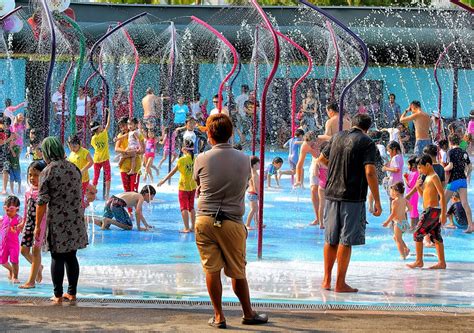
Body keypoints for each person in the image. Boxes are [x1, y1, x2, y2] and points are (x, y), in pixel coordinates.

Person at [193, 113, 268, 328]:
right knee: (237, 270)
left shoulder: (201, 158)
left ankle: (219, 316)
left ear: (209, 134)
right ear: (231, 134)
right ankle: (248, 313)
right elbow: (244, 183)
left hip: (205, 220)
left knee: (211, 269)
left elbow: (198, 182)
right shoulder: (245, 160)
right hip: (233, 221)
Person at [318, 113, 382, 292]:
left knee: (331, 239)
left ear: (352, 124)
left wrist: (338, 168)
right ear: (367, 128)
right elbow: (370, 172)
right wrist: (377, 201)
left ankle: (326, 280)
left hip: (331, 194)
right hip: (352, 197)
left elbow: (321, 160)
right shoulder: (367, 142)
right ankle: (340, 283)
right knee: (345, 240)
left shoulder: (337, 137)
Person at [35, 137, 88, 303]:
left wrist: (37, 226)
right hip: (75, 218)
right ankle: (72, 293)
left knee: (57, 257)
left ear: (48, 152)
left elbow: (42, 201)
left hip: (58, 219)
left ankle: (57, 295)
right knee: (72, 256)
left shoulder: (48, 171)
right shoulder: (74, 168)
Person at [407, 154, 446, 269]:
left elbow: (442, 195)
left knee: (417, 233)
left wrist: (443, 214)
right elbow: (423, 196)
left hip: (432, 210)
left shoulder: (434, 176)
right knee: (435, 235)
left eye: (420, 167)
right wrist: (419, 187)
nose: (419, 170)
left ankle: (419, 261)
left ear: (428, 165)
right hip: (431, 210)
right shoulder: (427, 177)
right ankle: (441, 262)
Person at [157, 140, 197, 233]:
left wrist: (163, 180)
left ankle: (186, 228)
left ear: (183, 149)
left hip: (183, 187)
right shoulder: (195, 158)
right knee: (191, 207)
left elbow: (172, 172)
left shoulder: (181, 160)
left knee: (184, 208)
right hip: (193, 186)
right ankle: (193, 227)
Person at [19, 161, 48, 289]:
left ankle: (31, 281)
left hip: (40, 225)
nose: (32, 178)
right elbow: (26, 209)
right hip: (29, 224)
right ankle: (38, 267)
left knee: (36, 250)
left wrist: (39, 226)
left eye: (36, 175)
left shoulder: (44, 192)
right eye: (30, 175)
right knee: (24, 250)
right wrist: (23, 223)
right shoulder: (28, 192)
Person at [444, 134, 472, 233]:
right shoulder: (464, 152)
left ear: (450, 141)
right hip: (462, 180)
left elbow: (450, 166)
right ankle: (471, 226)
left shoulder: (450, 152)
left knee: (442, 202)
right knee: (465, 203)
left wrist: (443, 169)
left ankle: (438, 225)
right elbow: (470, 166)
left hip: (454, 180)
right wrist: (467, 175)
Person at [295, 131, 322, 223]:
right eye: (309, 145)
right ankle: (318, 218)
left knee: (323, 192)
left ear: (316, 140)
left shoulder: (323, 141)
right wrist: (298, 180)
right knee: (314, 190)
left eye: (313, 144)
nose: (311, 147)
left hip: (327, 164)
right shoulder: (305, 145)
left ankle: (325, 216)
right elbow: (299, 164)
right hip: (315, 164)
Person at [382, 182, 411, 260]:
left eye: (391, 191)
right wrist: (404, 210)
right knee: (396, 237)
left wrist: (387, 222)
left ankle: (403, 255)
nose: (391, 193)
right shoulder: (404, 200)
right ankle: (406, 249)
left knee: (398, 240)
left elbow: (393, 214)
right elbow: (410, 208)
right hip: (405, 223)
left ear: (396, 191)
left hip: (398, 223)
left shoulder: (394, 201)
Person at [90, 110, 111, 200]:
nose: (103, 127)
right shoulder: (104, 134)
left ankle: (92, 194)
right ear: (98, 129)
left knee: (95, 177)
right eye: (101, 126)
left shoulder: (93, 138)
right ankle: (107, 195)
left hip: (96, 159)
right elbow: (108, 124)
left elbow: (94, 147)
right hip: (105, 159)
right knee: (108, 177)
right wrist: (109, 113)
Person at [0, 195, 22, 283]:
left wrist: (17, 228)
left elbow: (22, 227)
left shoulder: (19, 219)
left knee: (14, 261)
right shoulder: (3, 218)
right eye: (6, 208)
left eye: (11, 209)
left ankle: (15, 277)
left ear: (17, 209)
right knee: (2, 261)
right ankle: (10, 270)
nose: (8, 211)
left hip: (13, 244)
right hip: (3, 244)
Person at [67, 134, 93, 202]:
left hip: (83, 180)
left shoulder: (84, 152)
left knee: (80, 197)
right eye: (70, 147)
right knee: (74, 197)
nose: (72, 149)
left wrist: (82, 170)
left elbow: (91, 162)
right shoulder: (71, 154)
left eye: (74, 146)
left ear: (79, 144)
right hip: (74, 180)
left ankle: (82, 209)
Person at [404, 155, 420, 230]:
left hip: (411, 195)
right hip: (413, 194)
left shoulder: (415, 174)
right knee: (413, 209)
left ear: (413, 165)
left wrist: (405, 178)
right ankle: (416, 225)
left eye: (408, 164)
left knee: (412, 210)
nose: (407, 166)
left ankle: (412, 227)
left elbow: (409, 185)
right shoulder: (416, 173)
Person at [246, 156, 260, 230]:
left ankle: (257, 223)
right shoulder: (254, 175)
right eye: (259, 163)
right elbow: (255, 186)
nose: (260, 165)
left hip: (253, 193)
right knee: (253, 210)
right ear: (254, 165)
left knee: (256, 209)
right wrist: (259, 194)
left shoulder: (254, 173)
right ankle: (247, 224)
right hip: (253, 194)